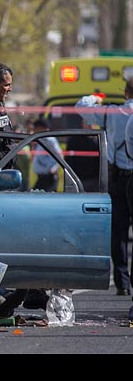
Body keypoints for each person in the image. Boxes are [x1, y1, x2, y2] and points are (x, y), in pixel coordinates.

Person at [76, 82, 133, 296]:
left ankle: (122, 282)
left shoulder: (111, 112)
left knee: (118, 232)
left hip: (118, 178)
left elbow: (81, 105)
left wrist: (96, 97)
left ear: (126, 93)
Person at [66, 119, 100, 192]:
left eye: (92, 124)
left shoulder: (99, 140)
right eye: (88, 123)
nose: (90, 126)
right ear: (82, 124)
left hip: (96, 180)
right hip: (80, 179)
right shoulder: (74, 140)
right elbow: (68, 160)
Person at [31, 118, 63, 192]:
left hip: (48, 178)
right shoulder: (42, 140)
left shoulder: (49, 140)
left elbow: (59, 155)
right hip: (42, 178)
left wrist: (52, 168)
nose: (34, 131)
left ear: (41, 128)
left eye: (35, 129)